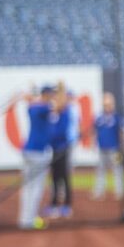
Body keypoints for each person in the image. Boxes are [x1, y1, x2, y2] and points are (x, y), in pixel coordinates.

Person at [18, 85, 56, 229]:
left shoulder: (32, 107)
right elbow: (57, 106)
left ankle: (24, 219)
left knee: (27, 186)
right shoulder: (43, 107)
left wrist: (30, 97)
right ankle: (30, 219)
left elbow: (32, 102)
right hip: (39, 152)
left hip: (28, 150)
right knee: (36, 188)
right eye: (51, 94)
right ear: (46, 94)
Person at [46, 88, 73, 219]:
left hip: (62, 150)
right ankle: (54, 204)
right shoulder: (52, 116)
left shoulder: (65, 114)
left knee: (64, 178)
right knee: (55, 179)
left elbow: (60, 133)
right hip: (53, 150)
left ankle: (67, 205)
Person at [92, 92, 124, 200]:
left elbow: (122, 132)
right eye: (105, 104)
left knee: (117, 170)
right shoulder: (99, 117)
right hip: (102, 148)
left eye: (109, 104)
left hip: (115, 149)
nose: (107, 107)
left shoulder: (117, 117)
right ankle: (99, 192)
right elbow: (95, 131)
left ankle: (120, 192)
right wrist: (94, 143)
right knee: (100, 171)